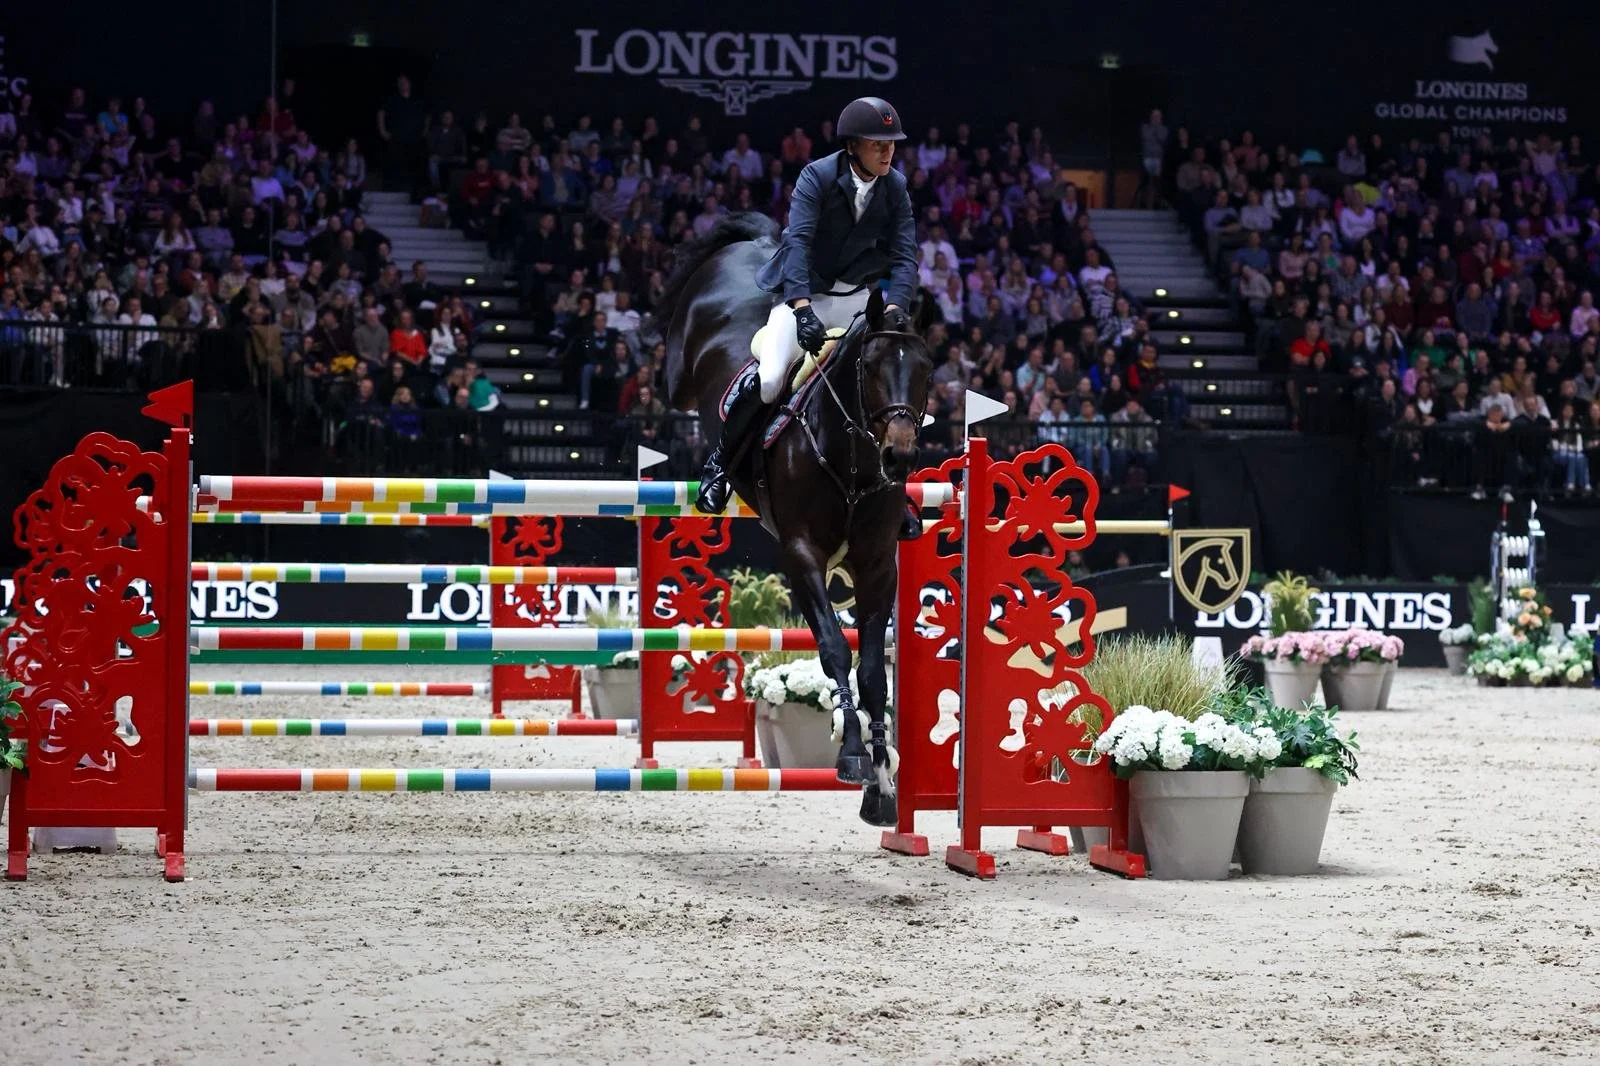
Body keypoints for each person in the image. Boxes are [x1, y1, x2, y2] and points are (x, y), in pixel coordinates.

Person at [696, 96, 920, 541]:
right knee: (772, 379)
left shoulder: (895, 186)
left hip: (858, 300)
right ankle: (720, 464)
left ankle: (895, 491)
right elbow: (797, 244)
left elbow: (906, 255)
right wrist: (800, 309)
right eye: (879, 144)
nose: (888, 152)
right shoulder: (817, 177)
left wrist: (896, 307)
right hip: (806, 295)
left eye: (891, 144)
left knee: (889, 384)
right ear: (853, 145)